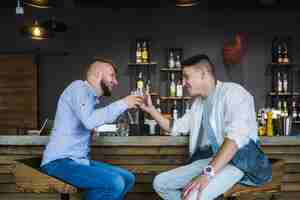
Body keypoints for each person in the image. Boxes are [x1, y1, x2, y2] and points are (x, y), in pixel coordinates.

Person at [140, 54, 272, 200]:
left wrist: (206, 174)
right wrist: (151, 110)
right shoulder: (198, 104)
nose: (183, 83)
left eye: (186, 77)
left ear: (203, 74)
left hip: (240, 163)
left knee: (193, 196)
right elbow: (175, 127)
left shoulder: (234, 93)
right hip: (215, 159)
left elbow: (234, 140)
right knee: (161, 183)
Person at [40, 58, 144, 200]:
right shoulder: (79, 87)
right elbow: (89, 121)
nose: (116, 81)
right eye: (112, 75)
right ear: (98, 74)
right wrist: (124, 103)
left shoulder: (89, 98)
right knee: (114, 183)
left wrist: (89, 131)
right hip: (58, 162)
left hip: (78, 161)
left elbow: (86, 121)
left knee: (127, 178)